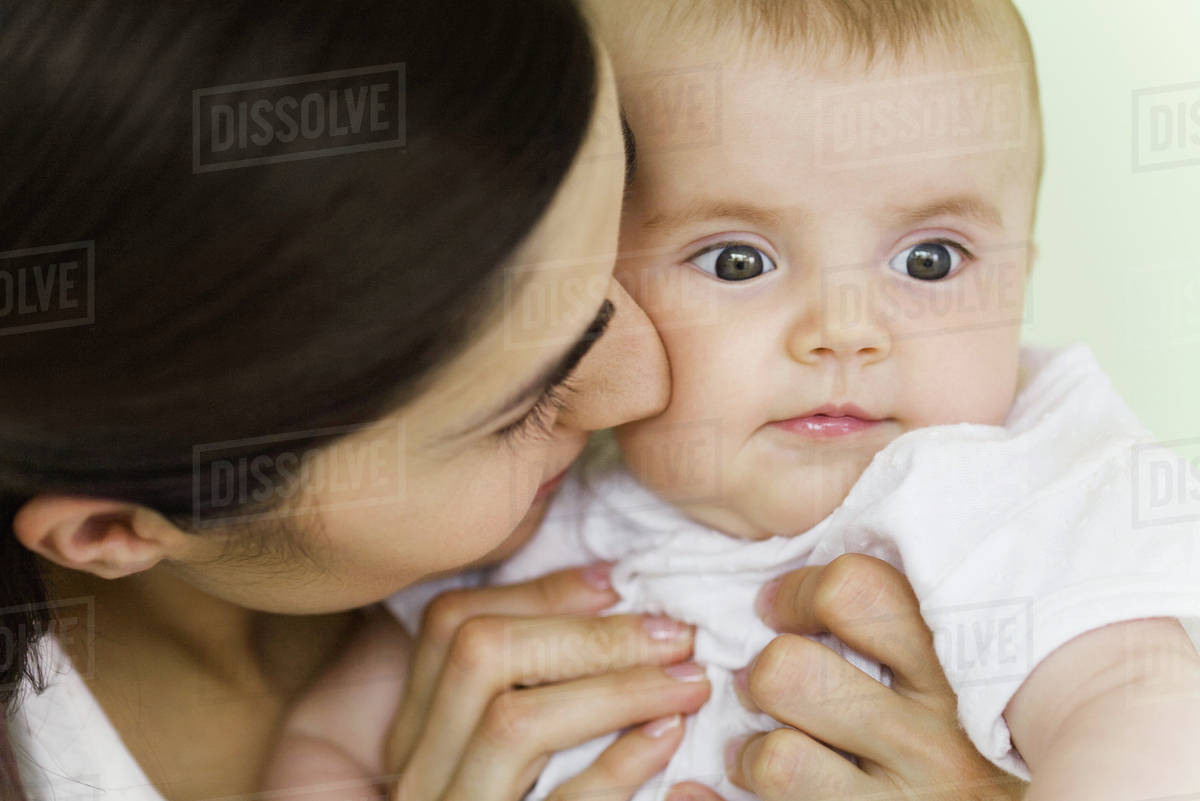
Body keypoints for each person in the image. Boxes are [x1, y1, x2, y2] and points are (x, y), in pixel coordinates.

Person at [372, 0, 1197, 799]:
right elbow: (338, 742)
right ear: (597, 276)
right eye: (737, 262)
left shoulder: (1014, 497)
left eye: (931, 261)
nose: (845, 330)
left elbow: (1144, 717)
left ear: (1021, 280)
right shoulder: (538, 494)